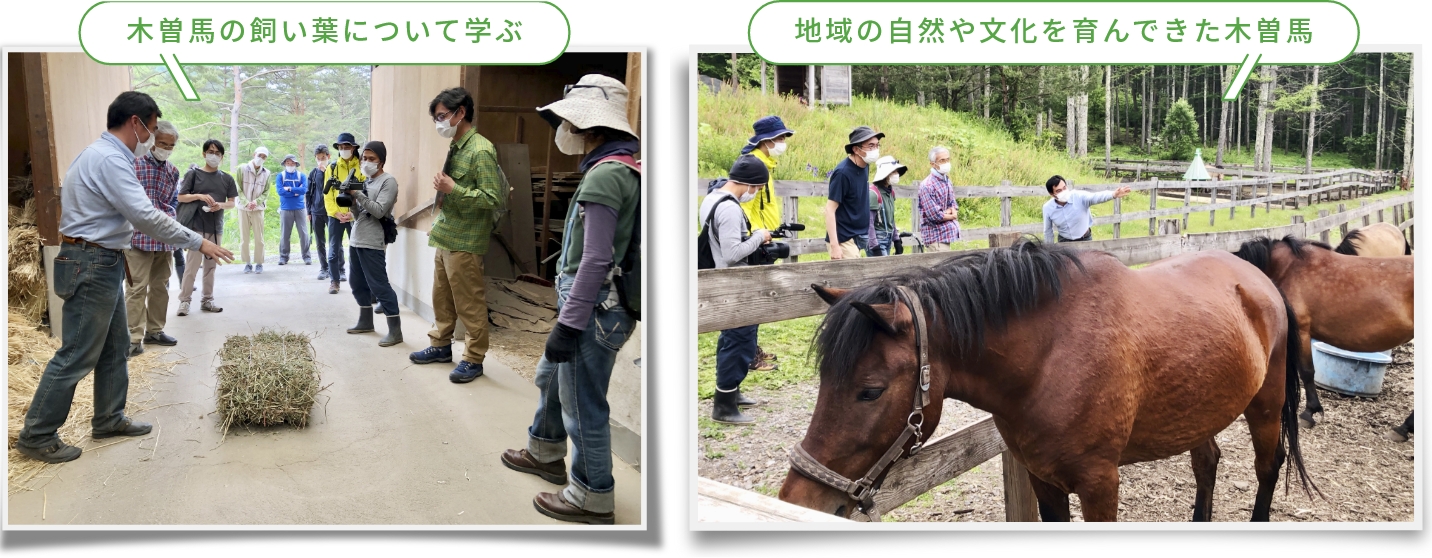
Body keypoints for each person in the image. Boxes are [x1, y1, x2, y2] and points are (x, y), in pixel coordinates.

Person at [15, 91, 234, 464]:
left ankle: (109, 418)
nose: (151, 139)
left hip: (103, 259)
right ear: (136, 123)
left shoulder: (105, 155)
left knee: (115, 347)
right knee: (77, 353)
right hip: (91, 260)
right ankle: (37, 434)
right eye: (150, 129)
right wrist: (199, 241)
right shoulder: (110, 159)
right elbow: (143, 214)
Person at [500, 75, 641, 525]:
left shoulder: (606, 176)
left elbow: (595, 260)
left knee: (583, 404)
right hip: (599, 305)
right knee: (549, 377)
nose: (564, 129)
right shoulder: (625, 168)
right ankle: (544, 450)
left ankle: (591, 494)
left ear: (588, 127)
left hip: (595, 307)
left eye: (569, 121)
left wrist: (568, 324)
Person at [407, 88, 500, 383]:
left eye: (443, 116)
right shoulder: (458, 146)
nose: (439, 123)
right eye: (437, 117)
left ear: (461, 113)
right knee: (442, 298)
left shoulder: (481, 150)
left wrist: (453, 189)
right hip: (447, 235)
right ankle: (440, 346)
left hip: (467, 241)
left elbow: (492, 199)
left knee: (469, 303)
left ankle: (473, 359)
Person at [696, 154, 771, 426]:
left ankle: (731, 391)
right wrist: (759, 237)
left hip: (723, 281)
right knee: (740, 341)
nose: (757, 193)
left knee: (731, 338)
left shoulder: (713, 197)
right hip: (734, 283)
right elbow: (731, 253)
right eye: (758, 188)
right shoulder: (729, 209)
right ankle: (724, 407)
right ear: (749, 184)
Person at [124, 119, 182, 358]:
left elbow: (172, 201)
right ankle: (133, 338)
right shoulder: (134, 164)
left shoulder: (173, 171)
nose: (165, 148)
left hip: (163, 238)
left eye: (170, 145)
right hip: (137, 238)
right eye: (161, 143)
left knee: (161, 286)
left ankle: (155, 331)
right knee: (137, 288)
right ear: (151, 141)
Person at [739, 115, 793, 373]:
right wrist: (756, 235)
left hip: (765, 236)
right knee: (753, 299)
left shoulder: (765, 164)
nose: (783, 142)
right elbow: (745, 205)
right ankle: (748, 355)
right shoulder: (753, 165)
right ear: (766, 141)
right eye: (780, 138)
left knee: (759, 298)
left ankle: (751, 349)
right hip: (756, 240)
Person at [343, 141, 403, 347]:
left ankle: (395, 330)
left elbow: (378, 211)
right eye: (364, 159)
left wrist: (356, 194)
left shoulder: (388, 182)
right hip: (357, 238)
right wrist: (352, 204)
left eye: (372, 159)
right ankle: (366, 321)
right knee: (357, 283)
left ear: (382, 161)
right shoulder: (366, 182)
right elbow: (362, 215)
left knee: (379, 285)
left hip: (373, 241)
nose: (366, 162)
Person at [176, 139, 239, 316]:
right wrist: (199, 196)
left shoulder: (227, 178)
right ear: (204, 154)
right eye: (211, 152)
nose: (214, 156)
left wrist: (220, 205)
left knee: (211, 266)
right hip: (196, 226)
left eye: (217, 153)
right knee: (192, 266)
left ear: (222, 157)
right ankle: (185, 301)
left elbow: (232, 203)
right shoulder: (193, 174)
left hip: (216, 226)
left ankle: (207, 300)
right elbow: (181, 197)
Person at [826, 126, 882, 260]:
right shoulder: (843, 173)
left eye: (877, 145)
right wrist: (835, 246)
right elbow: (829, 209)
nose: (875, 149)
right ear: (856, 149)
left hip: (859, 236)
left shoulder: (865, 165)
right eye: (870, 146)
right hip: (844, 238)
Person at [323, 132, 365, 294]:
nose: (343, 149)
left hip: (355, 216)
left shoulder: (361, 167)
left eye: (346, 146)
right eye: (340, 147)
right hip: (336, 217)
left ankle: (359, 282)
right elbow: (327, 195)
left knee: (357, 250)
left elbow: (365, 192)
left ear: (353, 148)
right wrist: (335, 212)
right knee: (333, 250)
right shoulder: (331, 168)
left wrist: (353, 214)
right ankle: (334, 281)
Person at [1042, 175, 1132, 243]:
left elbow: (1095, 197)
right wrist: (1049, 251)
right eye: (1058, 190)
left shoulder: (1079, 197)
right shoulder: (1048, 208)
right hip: (1064, 241)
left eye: (1064, 188)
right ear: (1052, 194)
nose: (1063, 192)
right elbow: (1048, 232)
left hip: (1085, 239)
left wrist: (1113, 194)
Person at [918, 145, 961, 251]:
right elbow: (935, 215)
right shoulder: (927, 186)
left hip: (946, 236)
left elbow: (952, 203)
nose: (946, 163)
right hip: (935, 238)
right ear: (933, 164)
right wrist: (952, 216)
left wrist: (952, 211)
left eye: (947, 160)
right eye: (942, 160)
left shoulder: (946, 180)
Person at [865, 156, 906, 257]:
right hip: (877, 240)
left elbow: (891, 219)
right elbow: (869, 223)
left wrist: (896, 239)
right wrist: (875, 246)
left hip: (888, 238)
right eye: (893, 172)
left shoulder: (890, 193)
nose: (896, 175)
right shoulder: (873, 194)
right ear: (885, 174)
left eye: (897, 172)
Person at [275, 154, 311, 266]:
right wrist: (296, 192)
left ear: (296, 164)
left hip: (300, 208)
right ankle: (283, 257)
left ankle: (307, 256)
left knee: (304, 234)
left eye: (292, 163)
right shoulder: (280, 176)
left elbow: (304, 190)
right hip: (286, 208)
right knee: (285, 234)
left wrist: (290, 189)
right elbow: (280, 191)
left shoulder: (302, 176)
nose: (290, 165)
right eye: (288, 163)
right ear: (285, 164)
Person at [307, 146, 332, 280]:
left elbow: (330, 189)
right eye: (318, 158)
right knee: (319, 241)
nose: (321, 161)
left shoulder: (333, 171)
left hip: (331, 211)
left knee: (335, 241)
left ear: (329, 156)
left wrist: (324, 172)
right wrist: (308, 210)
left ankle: (339, 269)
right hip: (316, 211)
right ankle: (324, 268)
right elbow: (308, 193)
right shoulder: (313, 173)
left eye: (323, 158)